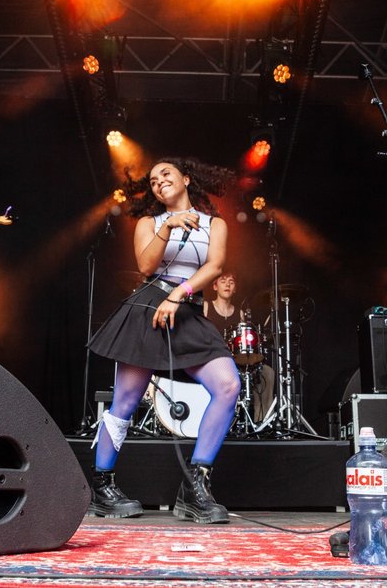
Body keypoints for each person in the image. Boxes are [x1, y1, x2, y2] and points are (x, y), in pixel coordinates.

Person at [87, 158, 241, 524]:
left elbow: (215, 266)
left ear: (186, 179)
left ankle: (194, 487)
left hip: (186, 308)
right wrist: (168, 227)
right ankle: (102, 488)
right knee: (125, 402)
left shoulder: (214, 224)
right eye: (153, 181)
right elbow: (145, 266)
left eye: (166, 174)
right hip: (148, 308)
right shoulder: (150, 223)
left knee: (228, 385)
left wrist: (179, 294)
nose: (159, 182)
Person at [204, 273, 275, 423]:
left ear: (235, 289)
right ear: (215, 286)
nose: (227, 284)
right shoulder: (206, 307)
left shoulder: (240, 313)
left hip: (236, 361)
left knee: (267, 372)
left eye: (231, 282)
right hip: (212, 360)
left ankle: (261, 423)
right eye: (223, 281)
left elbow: (244, 342)